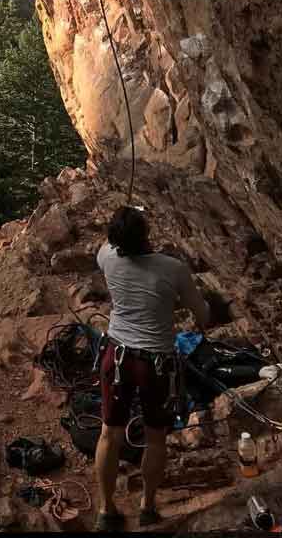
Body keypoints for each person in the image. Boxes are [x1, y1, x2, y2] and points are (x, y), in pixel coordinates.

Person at [93, 206, 210, 530]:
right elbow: (203, 316)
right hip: (154, 365)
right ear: (145, 235)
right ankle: (146, 506)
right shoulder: (173, 269)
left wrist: (124, 224)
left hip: (115, 357)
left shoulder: (107, 257)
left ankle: (105, 510)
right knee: (156, 438)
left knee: (108, 434)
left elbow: (109, 242)